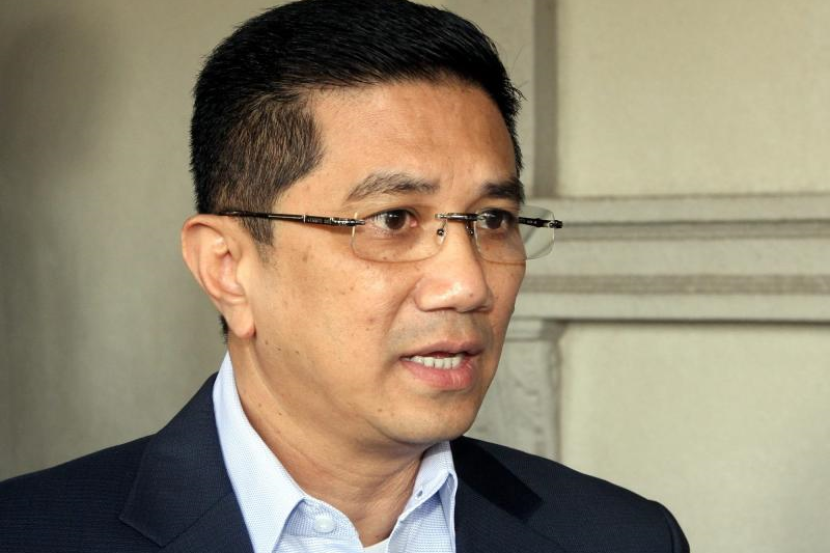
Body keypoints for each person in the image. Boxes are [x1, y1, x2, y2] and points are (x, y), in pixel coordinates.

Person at [0, 0, 689, 551]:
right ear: (228, 268)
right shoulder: (30, 533)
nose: (469, 284)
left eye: (492, 219)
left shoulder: (620, 535)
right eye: (393, 219)